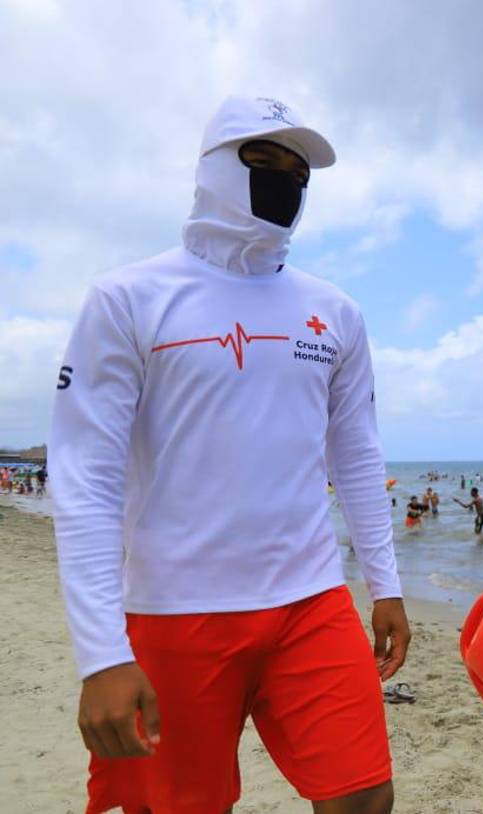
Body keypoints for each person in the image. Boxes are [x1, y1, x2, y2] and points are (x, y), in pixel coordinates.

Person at [48, 96, 408, 814]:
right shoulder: (129, 299)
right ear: (213, 167)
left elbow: (358, 456)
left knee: (365, 797)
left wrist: (385, 584)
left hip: (311, 602)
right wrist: (102, 653)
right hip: (177, 611)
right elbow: (85, 475)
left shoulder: (335, 312)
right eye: (262, 159)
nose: (285, 180)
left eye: (299, 171)